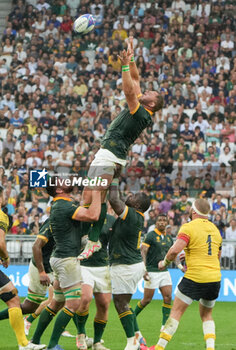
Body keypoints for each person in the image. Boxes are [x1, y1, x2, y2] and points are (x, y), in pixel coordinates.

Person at [79, 36, 164, 260]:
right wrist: (131, 57)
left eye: (150, 94)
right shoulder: (144, 107)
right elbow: (135, 80)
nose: (145, 91)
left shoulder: (143, 113)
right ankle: (89, 238)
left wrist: (124, 65)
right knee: (86, 199)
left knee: (97, 196)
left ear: (152, 104)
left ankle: (94, 240)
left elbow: (128, 91)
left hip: (111, 155)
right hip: (105, 153)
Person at [31, 178, 102, 350]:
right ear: (59, 190)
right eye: (62, 181)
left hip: (59, 258)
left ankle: (34, 341)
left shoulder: (62, 205)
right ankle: (53, 344)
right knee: (73, 304)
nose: (67, 181)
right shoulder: (63, 206)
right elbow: (93, 215)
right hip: (67, 260)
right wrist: (99, 192)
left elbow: (85, 207)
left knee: (56, 302)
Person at [152, 198, 222, 350]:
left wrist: (164, 263)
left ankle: (159, 347)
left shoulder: (188, 227)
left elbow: (174, 251)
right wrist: (190, 256)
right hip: (214, 278)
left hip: (195, 277)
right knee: (207, 315)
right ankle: (211, 348)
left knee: (176, 312)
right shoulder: (216, 230)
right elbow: (216, 256)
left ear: (193, 211)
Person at [0, 186, 46, 350]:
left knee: (12, 298)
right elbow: (0, 242)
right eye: (4, 195)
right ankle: (23, 344)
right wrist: (5, 256)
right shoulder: (1, 216)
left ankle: (23, 344)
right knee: (13, 301)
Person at [108, 178, 151, 350]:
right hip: (130, 264)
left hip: (126, 265)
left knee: (121, 303)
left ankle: (132, 342)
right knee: (122, 302)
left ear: (138, 206)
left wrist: (114, 179)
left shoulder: (132, 215)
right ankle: (138, 338)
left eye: (134, 196)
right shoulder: (134, 216)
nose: (130, 196)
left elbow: (113, 200)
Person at [76, 213, 115, 350]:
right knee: (85, 299)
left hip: (102, 266)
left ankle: (97, 343)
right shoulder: (82, 216)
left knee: (104, 305)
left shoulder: (111, 220)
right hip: (83, 265)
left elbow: (116, 241)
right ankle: (81, 334)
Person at [135, 215, 180, 332]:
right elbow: (143, 251)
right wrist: (144, 268)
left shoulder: (169, 238)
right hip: (152, 271)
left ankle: (164, 325)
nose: (162, 222)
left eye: (164, 221)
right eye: (159, 220)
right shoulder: (150, 236)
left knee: (168, 297)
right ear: (156, 223)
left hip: (164, 272)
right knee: (147, 300)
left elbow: (173, 254)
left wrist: (180, 267)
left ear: (167, 223)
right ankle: (132, 316)